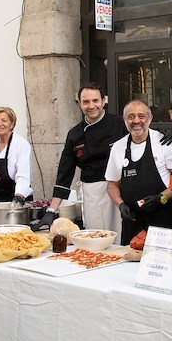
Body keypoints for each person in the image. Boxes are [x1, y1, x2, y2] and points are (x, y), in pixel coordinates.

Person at [33, 83, 127, 237]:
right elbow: (64, 173)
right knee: (96, 238)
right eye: (86, 102)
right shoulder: (74, 134)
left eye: (95, 101)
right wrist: (51, 210)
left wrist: (163, 138)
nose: (91, 106)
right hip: (92, 193)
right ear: (80, 104)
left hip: (120, 190)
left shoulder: (119, 124)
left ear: (103, 101)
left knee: (120, 236)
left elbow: (142, 135)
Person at [105, 100, 172, 245]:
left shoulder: (164, 143)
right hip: (132, 220)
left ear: (150, 118)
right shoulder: (118, 147)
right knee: (128, 265)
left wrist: (161, 198)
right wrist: (121, 204)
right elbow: (112, 184)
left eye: (141, 116)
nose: (136, 121)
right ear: (124, 120)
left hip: (163, 218)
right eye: (131, 117)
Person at [0, 107, 33, 204]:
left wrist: (19, 195)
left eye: (4, 121)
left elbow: (23, 175)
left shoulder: (21, 145)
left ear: (12, 124)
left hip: (13, 200)